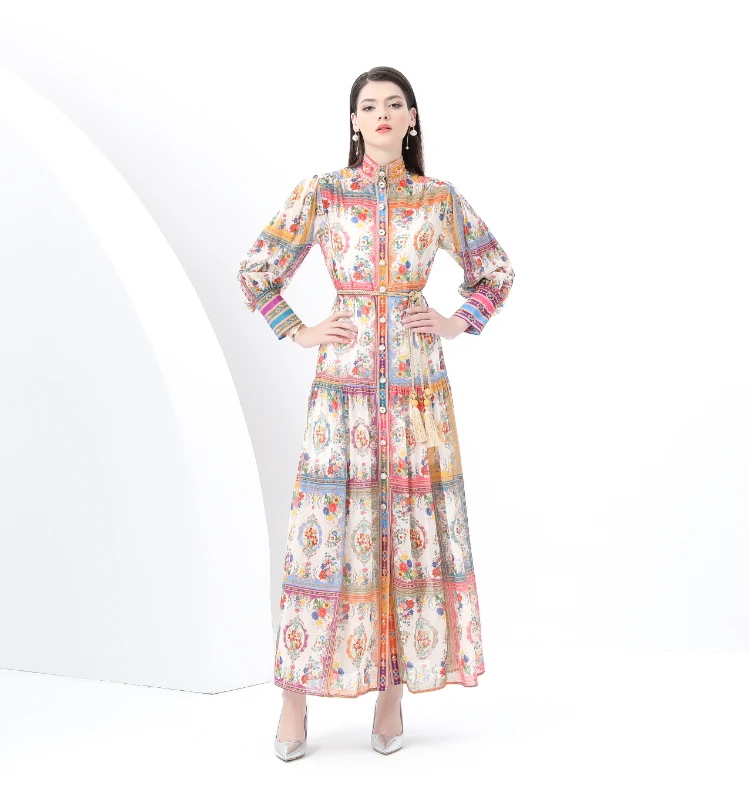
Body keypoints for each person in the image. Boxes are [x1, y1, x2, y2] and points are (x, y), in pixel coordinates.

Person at [237, 65, 515, 760]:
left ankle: (392, 695)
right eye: (369, 105)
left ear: (412, 118)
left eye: (395, 103)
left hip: (418, 393)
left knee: (405, 535)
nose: (383, 114)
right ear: (354, 120)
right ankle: (294, 697)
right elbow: (257, 270)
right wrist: (300, 330)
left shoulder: (438, 199)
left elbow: (497, 270)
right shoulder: (323, 193)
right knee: (326, 536)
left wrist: (455, 322)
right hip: (344, 391)